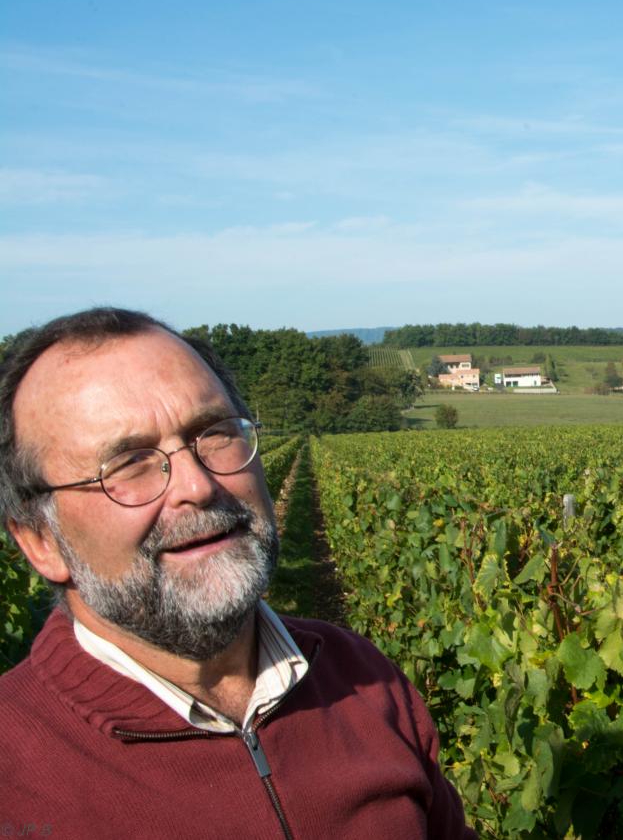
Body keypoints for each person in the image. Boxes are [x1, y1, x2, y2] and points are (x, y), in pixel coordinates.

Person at [0, 308, 476, 838]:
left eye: (215, 434)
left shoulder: (364, 677)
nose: (197, 485)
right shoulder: (12, 776)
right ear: (40, 542)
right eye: (128, 463)